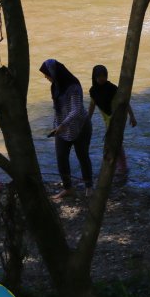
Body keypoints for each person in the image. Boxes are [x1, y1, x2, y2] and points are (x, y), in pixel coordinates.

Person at [39, 59, 94, 198]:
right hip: (63, 128)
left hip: (80, 127)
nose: (46, 77)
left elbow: (76, 110)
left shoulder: (73, 86)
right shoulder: (55, 86)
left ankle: (89, 186)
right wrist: (56, 126)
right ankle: (68, 188)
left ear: (54, 72)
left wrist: (63, 125)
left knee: (83, 157)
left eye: (47, 74)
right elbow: (58, 109)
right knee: (61, 158)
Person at [88, 64, 137, 186]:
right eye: (99, 77)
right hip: (107, 118)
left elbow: (124, 101)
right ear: (94, 77)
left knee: (114, 142)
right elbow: (92, 105)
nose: (102, 79)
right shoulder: (93, 91)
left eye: (104, 76)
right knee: (115, 142)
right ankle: (120, 167)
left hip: (117, 117)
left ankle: (121, 168)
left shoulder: (112, 88)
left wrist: (132, 116)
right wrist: (87, 119)